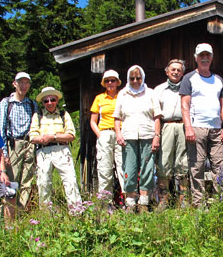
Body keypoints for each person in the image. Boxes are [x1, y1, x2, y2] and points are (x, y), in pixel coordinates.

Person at [179, 43, 223, 207]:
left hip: (216, 128)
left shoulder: (218, 80)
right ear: (196, 58)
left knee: (220, 165)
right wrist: (188, 127)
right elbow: (184, 105)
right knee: (197, 167)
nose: (205, 58)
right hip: (196, 128)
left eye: (207, 55)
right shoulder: (189, 78)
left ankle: (222, 202)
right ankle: (198, 204)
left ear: (212, 58)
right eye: (201, 55)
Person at [114, 65, 163, 213]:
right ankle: (130, 203)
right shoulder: (123, 94)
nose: (135, 81)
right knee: (129, 168)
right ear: (128, 79)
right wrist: (118, 134)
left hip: (147, 135)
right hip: (128, 136)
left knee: (147, 168)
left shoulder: (150, 93)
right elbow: (117, 117)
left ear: (143, 78)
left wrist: (157, 136)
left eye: (138, 78)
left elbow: (157, 117)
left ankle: (143, 203)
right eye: (132, 78)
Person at [29, 87, 82, 214]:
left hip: (62, 150)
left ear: (57, 100)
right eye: (46, 101)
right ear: (42, 102)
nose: (49, 103)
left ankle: (76, 212)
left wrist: (52, 137)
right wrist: (46, 138)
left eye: (52, 99)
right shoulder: (38, 116)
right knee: (43, 182)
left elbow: (71, 135)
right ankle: (46, 214)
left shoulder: (64, 115)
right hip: (43, 152)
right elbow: (32, 137)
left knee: (70, 180)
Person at [0, 71, 37, 210]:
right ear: (14, 84)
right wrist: (4, 154)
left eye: (26, 82)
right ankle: (9, 214)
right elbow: (0, 129)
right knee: (11, 181)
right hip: (13, 144)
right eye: (20, 82)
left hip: (30, 144)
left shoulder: (32, 104)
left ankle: (21, 211)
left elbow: (35, 126)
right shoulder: (6, 103)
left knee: (27, 180)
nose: (23, 85)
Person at [153, 59, 189, 210]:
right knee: (164, 163)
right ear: (167, 71)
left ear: (183, 73)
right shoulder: (159, 89)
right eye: (173, 69)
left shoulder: (187, 88)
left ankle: (184, 199)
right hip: (166, 126)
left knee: (183, 163)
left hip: (183, 126)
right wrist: (156, 134)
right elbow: (154, 112)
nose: (175, 72)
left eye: (179, 70)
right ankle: (164, 200)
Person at [90, 70, 125, 199]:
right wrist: (100, 135)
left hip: (121, 133)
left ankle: (128, 201)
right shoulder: (99, 98)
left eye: (113, 80)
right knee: (105, 168)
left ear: (117, 82)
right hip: (105, 133)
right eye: (107, 81)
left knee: (123, 167)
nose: (110, 83)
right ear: (104, 83)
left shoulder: (123, 96)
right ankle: (105, 204)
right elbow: (93, 121)